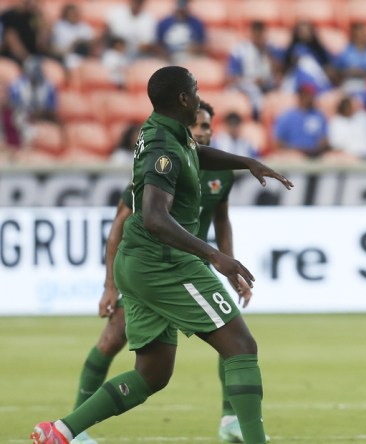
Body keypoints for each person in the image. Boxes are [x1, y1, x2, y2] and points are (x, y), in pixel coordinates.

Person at [31, 65, 293, 444]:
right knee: (240, 346)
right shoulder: (161, 147)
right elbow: (154, 217)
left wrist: (246, 161)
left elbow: (195, 154)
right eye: (196, 89)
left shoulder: (168, 130)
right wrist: (216, 256)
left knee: (152, 374)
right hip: (163, 261)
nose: (200, 95)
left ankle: (61, 431)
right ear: (184, 99)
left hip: (141, 261)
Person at [66, 101, 265, 444]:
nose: (203, 132)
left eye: (208, 127)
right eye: (198, 126)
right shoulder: (161, 164)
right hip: (157, 266)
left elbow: (222, 221)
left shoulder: (219, 173)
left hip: (189, 266)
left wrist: (228, 266)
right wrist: (109, 285)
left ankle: (229, 417)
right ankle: (77, 428)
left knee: (159, 371)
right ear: (186, 125)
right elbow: (120, 226)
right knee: (114, 340)